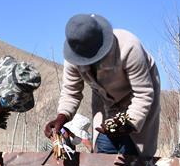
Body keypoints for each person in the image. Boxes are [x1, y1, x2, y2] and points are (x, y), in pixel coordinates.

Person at [45, 14, 160, 157]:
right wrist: (62, 118)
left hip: (137, 99)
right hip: (105, 102)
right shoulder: (73, 57)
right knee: (104, 150)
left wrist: (128, 124)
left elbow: (143, 93)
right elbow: (71, 92)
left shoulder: (129, 47)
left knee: (133, 153)